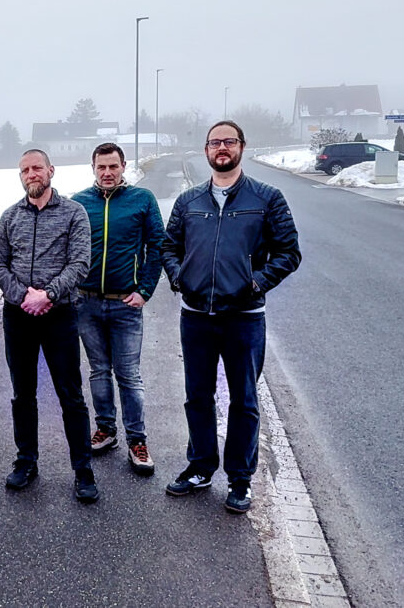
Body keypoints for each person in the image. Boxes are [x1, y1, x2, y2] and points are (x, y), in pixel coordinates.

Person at [161, 120, 302, 514]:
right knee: (198, 397)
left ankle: (240, 480)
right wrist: (178, 278)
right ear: (206, 150)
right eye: (214, 143)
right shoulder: (189, 201)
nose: (221, 148)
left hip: (244, 319)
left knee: (243, 400)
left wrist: (255, 284)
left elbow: (289, 254)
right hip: (196, 317)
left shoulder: (267, 198)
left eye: (229, 142)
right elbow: (169, 247)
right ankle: (201, 466)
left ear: (242, 147)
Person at [0, 149, 97, 503]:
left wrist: (48, 294)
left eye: (37, 168)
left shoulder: (73, 213)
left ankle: (83, 470)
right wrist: (23, 296)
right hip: (18, 315)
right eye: (25, 170)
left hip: (59, 314)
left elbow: (80, 262)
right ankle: (26, 461)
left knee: (70, 394)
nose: (31, 174)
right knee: (23, 393)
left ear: (51, 170)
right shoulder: (9, 217)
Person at [70, 142, 165, 475]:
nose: (107, 173)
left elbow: (158, 246)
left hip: (126, 305)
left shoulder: (142, 200)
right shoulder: (79, 203)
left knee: (129, 376)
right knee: (98, 370)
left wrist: (145, 290)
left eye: (113, 166)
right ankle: (106, 429)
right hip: (86, 303)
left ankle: (137, 441)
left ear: (124, 166)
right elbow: (68, 249)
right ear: (93, 168)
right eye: (101, 167)